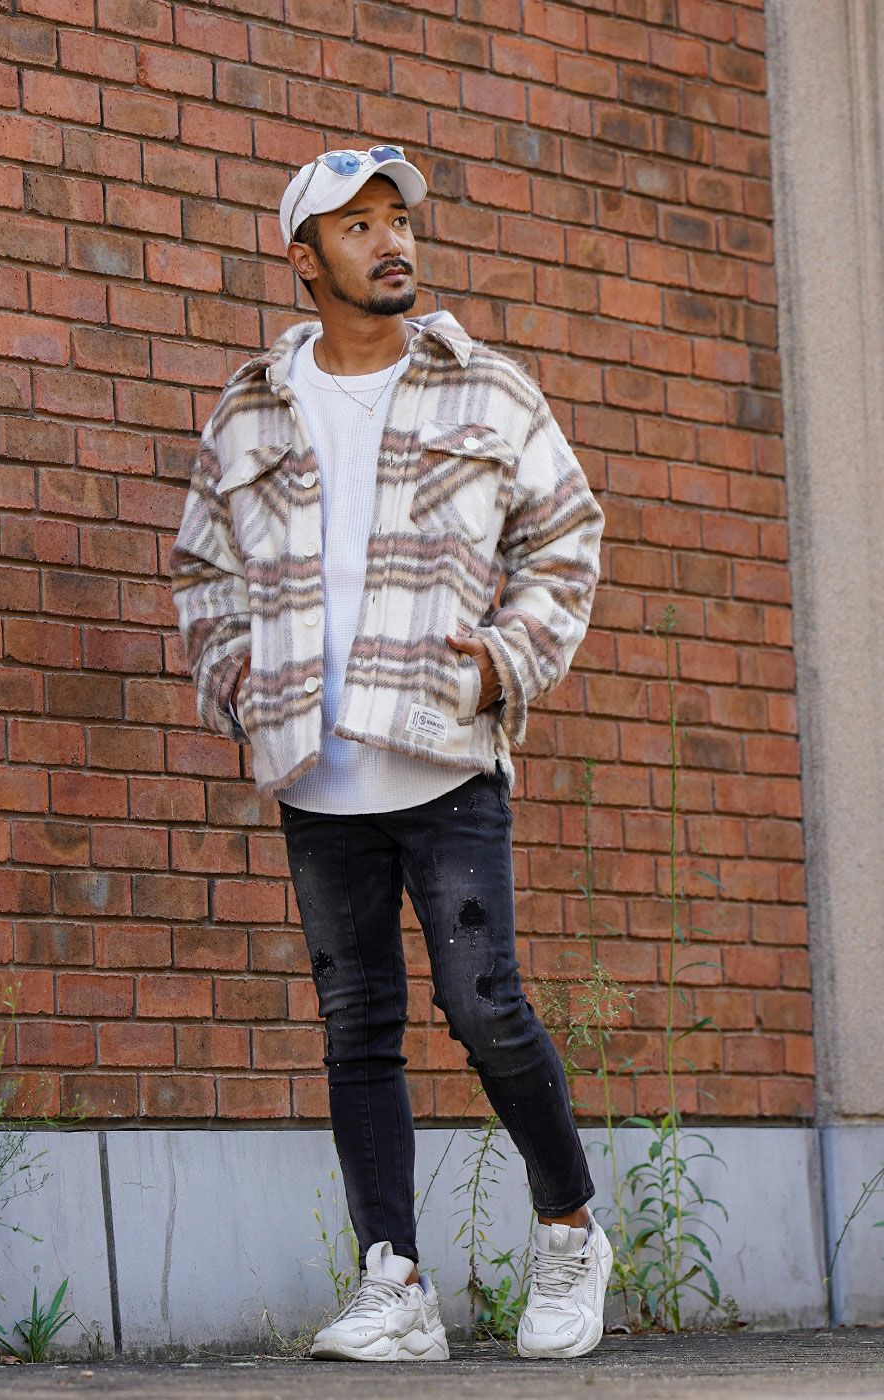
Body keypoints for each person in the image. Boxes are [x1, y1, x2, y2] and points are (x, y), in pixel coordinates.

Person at [169, 145, 609, 1363]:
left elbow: (566, 536)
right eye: (356, 225)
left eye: (396, 219)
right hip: (314, 768)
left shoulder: (487, 389)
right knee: (355, 1025)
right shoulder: (250, 408)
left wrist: (502, 662)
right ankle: (394, 1282)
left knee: (483, 1004)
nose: (390, 240)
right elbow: (202, 567)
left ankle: (569, 1228)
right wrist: (238, 681)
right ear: (302, 258)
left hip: (444, 752)